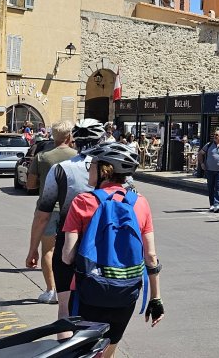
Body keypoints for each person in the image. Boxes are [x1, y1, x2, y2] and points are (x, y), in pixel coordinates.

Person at [61, 142, 164, 357]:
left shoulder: (82, 201)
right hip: (125, 292)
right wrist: (156, 299)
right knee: (108, 351)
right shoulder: (140, 203)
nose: (88, 169)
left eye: (91, 165)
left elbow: (67, 256)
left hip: (89, 290)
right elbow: (151, 257)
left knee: (83, 351)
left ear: (104, 170)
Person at [25, 118, 105, 323]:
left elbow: (43, 214)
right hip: (104, 242)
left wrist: (33, 249)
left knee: (65, 311)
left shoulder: (61, 169)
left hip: (69, 239)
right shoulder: (114, 168)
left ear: (75, 140)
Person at [27, 121, 77, 304]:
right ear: (69, 136)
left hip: (47, 209)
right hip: (72, 209)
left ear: (53, 136)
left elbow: (30, 184)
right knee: (71, 248)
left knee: (48, 250)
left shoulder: (42, 157)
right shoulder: (78, 156)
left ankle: (51, 290)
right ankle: (70, 288)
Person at [198, 130, 219, 213]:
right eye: (214, 134)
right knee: (211, 188)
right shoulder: (208, 145)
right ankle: (212, 205)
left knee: (218, 187)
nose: (215, 136)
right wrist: (202, 164)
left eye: (217, 135)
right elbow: (200, 153)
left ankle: (217, 204)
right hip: (209, 170)